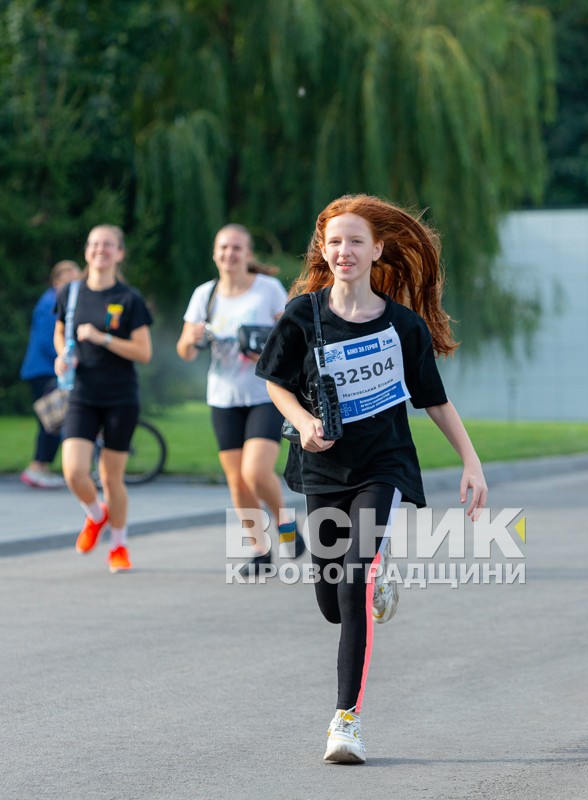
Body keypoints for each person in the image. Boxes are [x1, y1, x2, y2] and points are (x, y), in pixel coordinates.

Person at [255, 194, 488, 764]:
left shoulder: (402, 325)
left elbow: (433, 399)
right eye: (334, 241)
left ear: (377, 249)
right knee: (331, 601)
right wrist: (303, 420)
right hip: (322, 469)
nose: (344, 251)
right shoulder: (303, 315)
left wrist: (471, 461)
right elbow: (275, 382)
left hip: (381, 466)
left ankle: (346, 722)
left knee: (353, 582)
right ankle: (372, 584)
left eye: (355, 240)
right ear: (323, 250)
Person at [176, 223, 302, 572]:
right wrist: (193, 337)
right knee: (236, 480)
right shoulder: (206, 294)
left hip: (265, 393)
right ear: (215, 254)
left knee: (256, 472)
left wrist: (264, 351)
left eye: (236, 248)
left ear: (248, 254)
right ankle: (260, 552)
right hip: (223, 396)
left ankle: (286, 525)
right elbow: (185, 350)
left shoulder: (268, 289)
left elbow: (292, 338)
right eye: (223, 248)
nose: (229, 254)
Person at [54, 225, 153, 573]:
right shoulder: (72, 292)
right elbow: (61, 331)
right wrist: (62, 356)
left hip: (120, 397)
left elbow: (143, 352)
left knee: (111, 477)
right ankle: (96, 515)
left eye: (109, 245)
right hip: (82, 394)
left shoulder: (129, 299)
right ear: (86, 251)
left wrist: (102, 339)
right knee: (73, 472)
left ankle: (119, 546)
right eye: (95, 244)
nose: (101, 250)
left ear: (120, 253)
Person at [18, 260, 81, 489]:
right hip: (44, 370)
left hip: (48, 369)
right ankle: (37, 467)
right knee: (52, 418)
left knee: (54, 419)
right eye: (69, 278)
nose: (75, 283)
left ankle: (41, 467)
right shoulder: (51, 302)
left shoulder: (57, 300)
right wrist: (67, 358)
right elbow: (49, 340)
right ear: (57, 281)